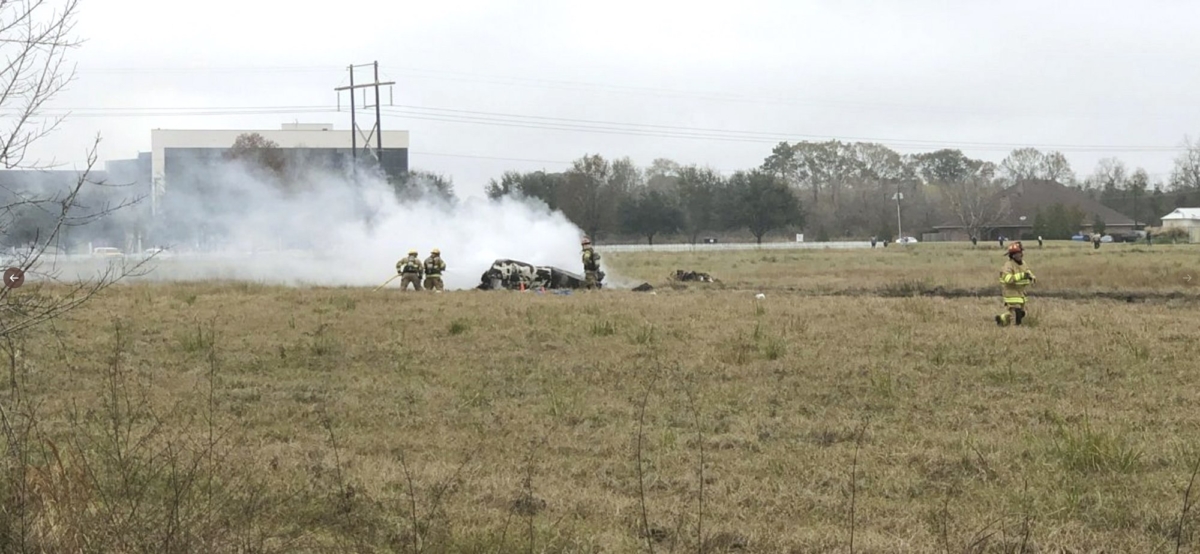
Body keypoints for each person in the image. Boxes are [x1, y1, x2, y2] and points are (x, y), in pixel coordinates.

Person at [996, 242, 1036, 327]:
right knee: (1016, 313)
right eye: (1018, 253)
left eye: (1020, 252)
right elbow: (1008, 279)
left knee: (1021, 313)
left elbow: (1027, 271)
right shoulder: (1008, 265)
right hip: (1011, 293)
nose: (1020, 254)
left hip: (1020, 293)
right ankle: (1016, 329)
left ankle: (1002, 319)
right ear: (1013, 255)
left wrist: (1032, 277)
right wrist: (1022, 276)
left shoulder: (1023, 263)